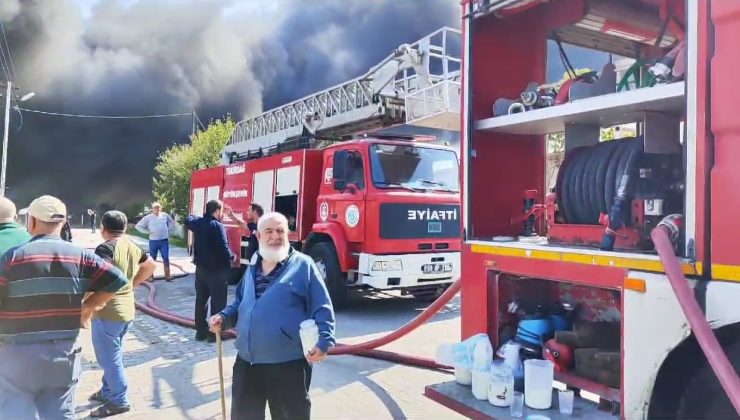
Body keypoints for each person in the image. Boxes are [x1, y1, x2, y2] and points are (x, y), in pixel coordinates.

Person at [0, 195, 128, 419]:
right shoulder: (81, 256)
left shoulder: (13, 257)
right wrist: (87, 307)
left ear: (31, 221)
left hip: (17, 355)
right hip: (63, 354)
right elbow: (118, 280)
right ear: (63, 223)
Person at [210, 212, 335, 420]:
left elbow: (322, 306)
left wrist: (324, 342)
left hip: (288, 365)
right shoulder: (253, 265)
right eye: (268, 231)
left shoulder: (303, 265)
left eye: (280, 231)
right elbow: (241, 303)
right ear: (258, 236)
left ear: (288, 235)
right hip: (247, 364)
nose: (275, 236)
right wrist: (223, 318)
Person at [89, 210, 156, 417]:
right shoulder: (131, 245)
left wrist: (87, 304)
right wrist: (132, 283)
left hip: (108, 311)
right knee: (113, 354)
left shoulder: (105, 248)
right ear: (125, 228)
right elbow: (150, 265)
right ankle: (108, 390)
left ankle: (119, 400)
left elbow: (100, 277)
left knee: (110, 359)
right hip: (127, 310)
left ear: (103, 229)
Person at [184, 199, 237, 342]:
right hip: (217, 271)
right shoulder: (217, 226)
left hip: (201, 270)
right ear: (217, 211)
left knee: (201, 301)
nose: (222, 214)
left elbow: (187, 219)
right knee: (218, 303)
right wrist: (233, 256)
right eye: (220, 211)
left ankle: (200, 332)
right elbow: (223, 247)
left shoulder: (198, 223)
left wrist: (198, 215)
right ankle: (215, 334)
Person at [135, 202, 175, 280]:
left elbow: (171, 222)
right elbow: (138, 226)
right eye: (155, 208)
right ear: (152, 209)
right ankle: (150, 276)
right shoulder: (148, 217)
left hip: (164, 241)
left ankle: (167, 276)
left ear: (161, 208)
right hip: (154, 241)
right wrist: (147, 232)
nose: (157, 209)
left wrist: (169, 230)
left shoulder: (165, 215)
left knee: (166, 258)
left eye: (158, 207)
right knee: (152, 259)